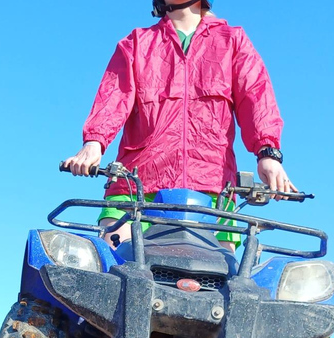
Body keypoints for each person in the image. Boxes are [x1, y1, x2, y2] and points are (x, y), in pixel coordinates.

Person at [64, 0, 294, 250]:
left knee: (224, 279)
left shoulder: (232, 41)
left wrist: (267, 153)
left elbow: (257, 97)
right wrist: (94, 142)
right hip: (136, 186)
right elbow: (113, 97)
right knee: (112, 267)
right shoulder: (137, 43)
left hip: (214, 192)